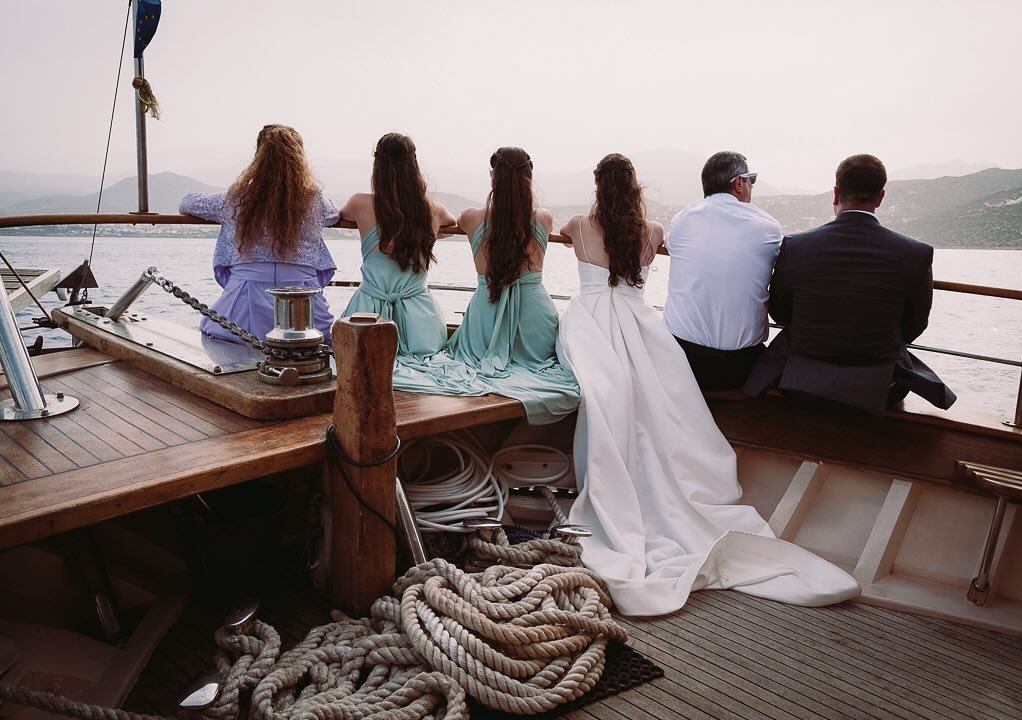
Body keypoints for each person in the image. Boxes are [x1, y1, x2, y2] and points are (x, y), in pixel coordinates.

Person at [557, 154, 860, 616]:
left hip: (592, 326)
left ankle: (609, 498)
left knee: (603, 392)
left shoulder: (579, 226)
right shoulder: (656, 231)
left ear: (597, 187)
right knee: (658, 402)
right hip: (642, 327)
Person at [743, 154, 957, 414]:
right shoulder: (915, 254)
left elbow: (780, 311)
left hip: (801, 381)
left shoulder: (796, 246)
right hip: (879, 388)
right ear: (880, 197)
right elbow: (914, 325)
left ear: (835, 193)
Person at [392, 147, 579, 424]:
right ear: (529, 178)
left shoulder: (470, 218)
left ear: (493, 178)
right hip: (534, 321)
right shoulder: (543, 219)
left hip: (486, 317)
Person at [179, 124, 338, 345]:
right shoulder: (314, 199)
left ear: (258, 158)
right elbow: (334, 215)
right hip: (302, 302)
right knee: (312, 345)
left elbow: (187, 203)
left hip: (244, 301)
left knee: (225, 342)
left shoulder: (237, 198)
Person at [664, 151, 783, 391]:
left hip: (682, 358)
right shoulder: (768, 229)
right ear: (739, 183)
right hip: (740, 366)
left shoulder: (683, 220)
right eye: (752, 180)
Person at [339, 133, 455, 357]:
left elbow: (336, 216)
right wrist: (422, 236)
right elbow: (453, 223)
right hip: (421, 325)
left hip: (367, 317)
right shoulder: (433, 210)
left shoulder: (360, 204)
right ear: (413, 165)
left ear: (377, 166)